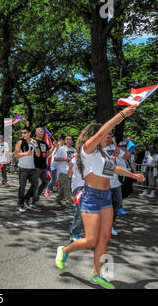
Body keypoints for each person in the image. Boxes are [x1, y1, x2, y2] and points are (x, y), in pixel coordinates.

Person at [55, 105, 145, 289]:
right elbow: (103, 130)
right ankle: (64, 250)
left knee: (104, 239)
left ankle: (97, 274)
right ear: (96, 136)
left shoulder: (103, 154)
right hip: (91, 196)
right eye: (107, 135)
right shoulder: (87, 148)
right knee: (91, 240)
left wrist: (133, 175)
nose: (109, 138)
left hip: (106, 197)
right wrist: (121, 115)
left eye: (110, 136)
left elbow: (114, 169)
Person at [13, 128, 41, 212]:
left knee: (35, 184)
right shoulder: (20, 142)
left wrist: (37, 150)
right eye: (22, 133)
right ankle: (20, 204)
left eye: (25, 133)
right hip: (23, 168)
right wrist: (26, 153)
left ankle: (26, 199)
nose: (23, 134)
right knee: (22, 186)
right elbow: (15, 154)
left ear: (29, 133)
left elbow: (38, 154)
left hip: (32, 168)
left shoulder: (34, 142)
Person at [53, 136, 75, 207]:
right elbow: (55, 159)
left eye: (70, 139)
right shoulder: (61, 149)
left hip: (71, 171)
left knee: (64, 187)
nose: (68, 141)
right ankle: (69, 203)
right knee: (67, 188)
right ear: (65, 141)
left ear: (72, 141)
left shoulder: (74, 150)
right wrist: (65, 159)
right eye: (67, 139)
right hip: (63, 171)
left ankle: (58, 199)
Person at [68, 156, 84, 242]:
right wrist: (70, 167)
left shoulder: (92, 158)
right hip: (78, 187)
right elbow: (69, 175)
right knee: (81, 211)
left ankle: (75, 231)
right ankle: (74, 232)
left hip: (89, 187)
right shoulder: (75, 159)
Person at [32, 127, 50, 206]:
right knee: (36, 183)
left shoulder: (45, 143)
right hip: (36, 166)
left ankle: (36, 196)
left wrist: (55, 148)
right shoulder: (34, 141)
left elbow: (47, 154)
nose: (42, 133)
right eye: (41, 132)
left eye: (43, 132)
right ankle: (35, 200)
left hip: (43, 166)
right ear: (36, 133)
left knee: (45, 182)